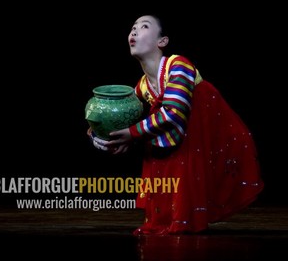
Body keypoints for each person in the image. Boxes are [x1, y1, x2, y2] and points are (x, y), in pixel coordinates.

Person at [88, 14, 264, 236]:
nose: (134, 31)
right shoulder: (142, 86)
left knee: (185, 164)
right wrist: (100, 132)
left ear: (162, 41)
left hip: (211, 134)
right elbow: (123, 119)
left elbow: (173, 112)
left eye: (143, 27)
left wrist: (132, 134)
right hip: (185, 137)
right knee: (163, 162)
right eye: (132, 27)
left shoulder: (178, 64)